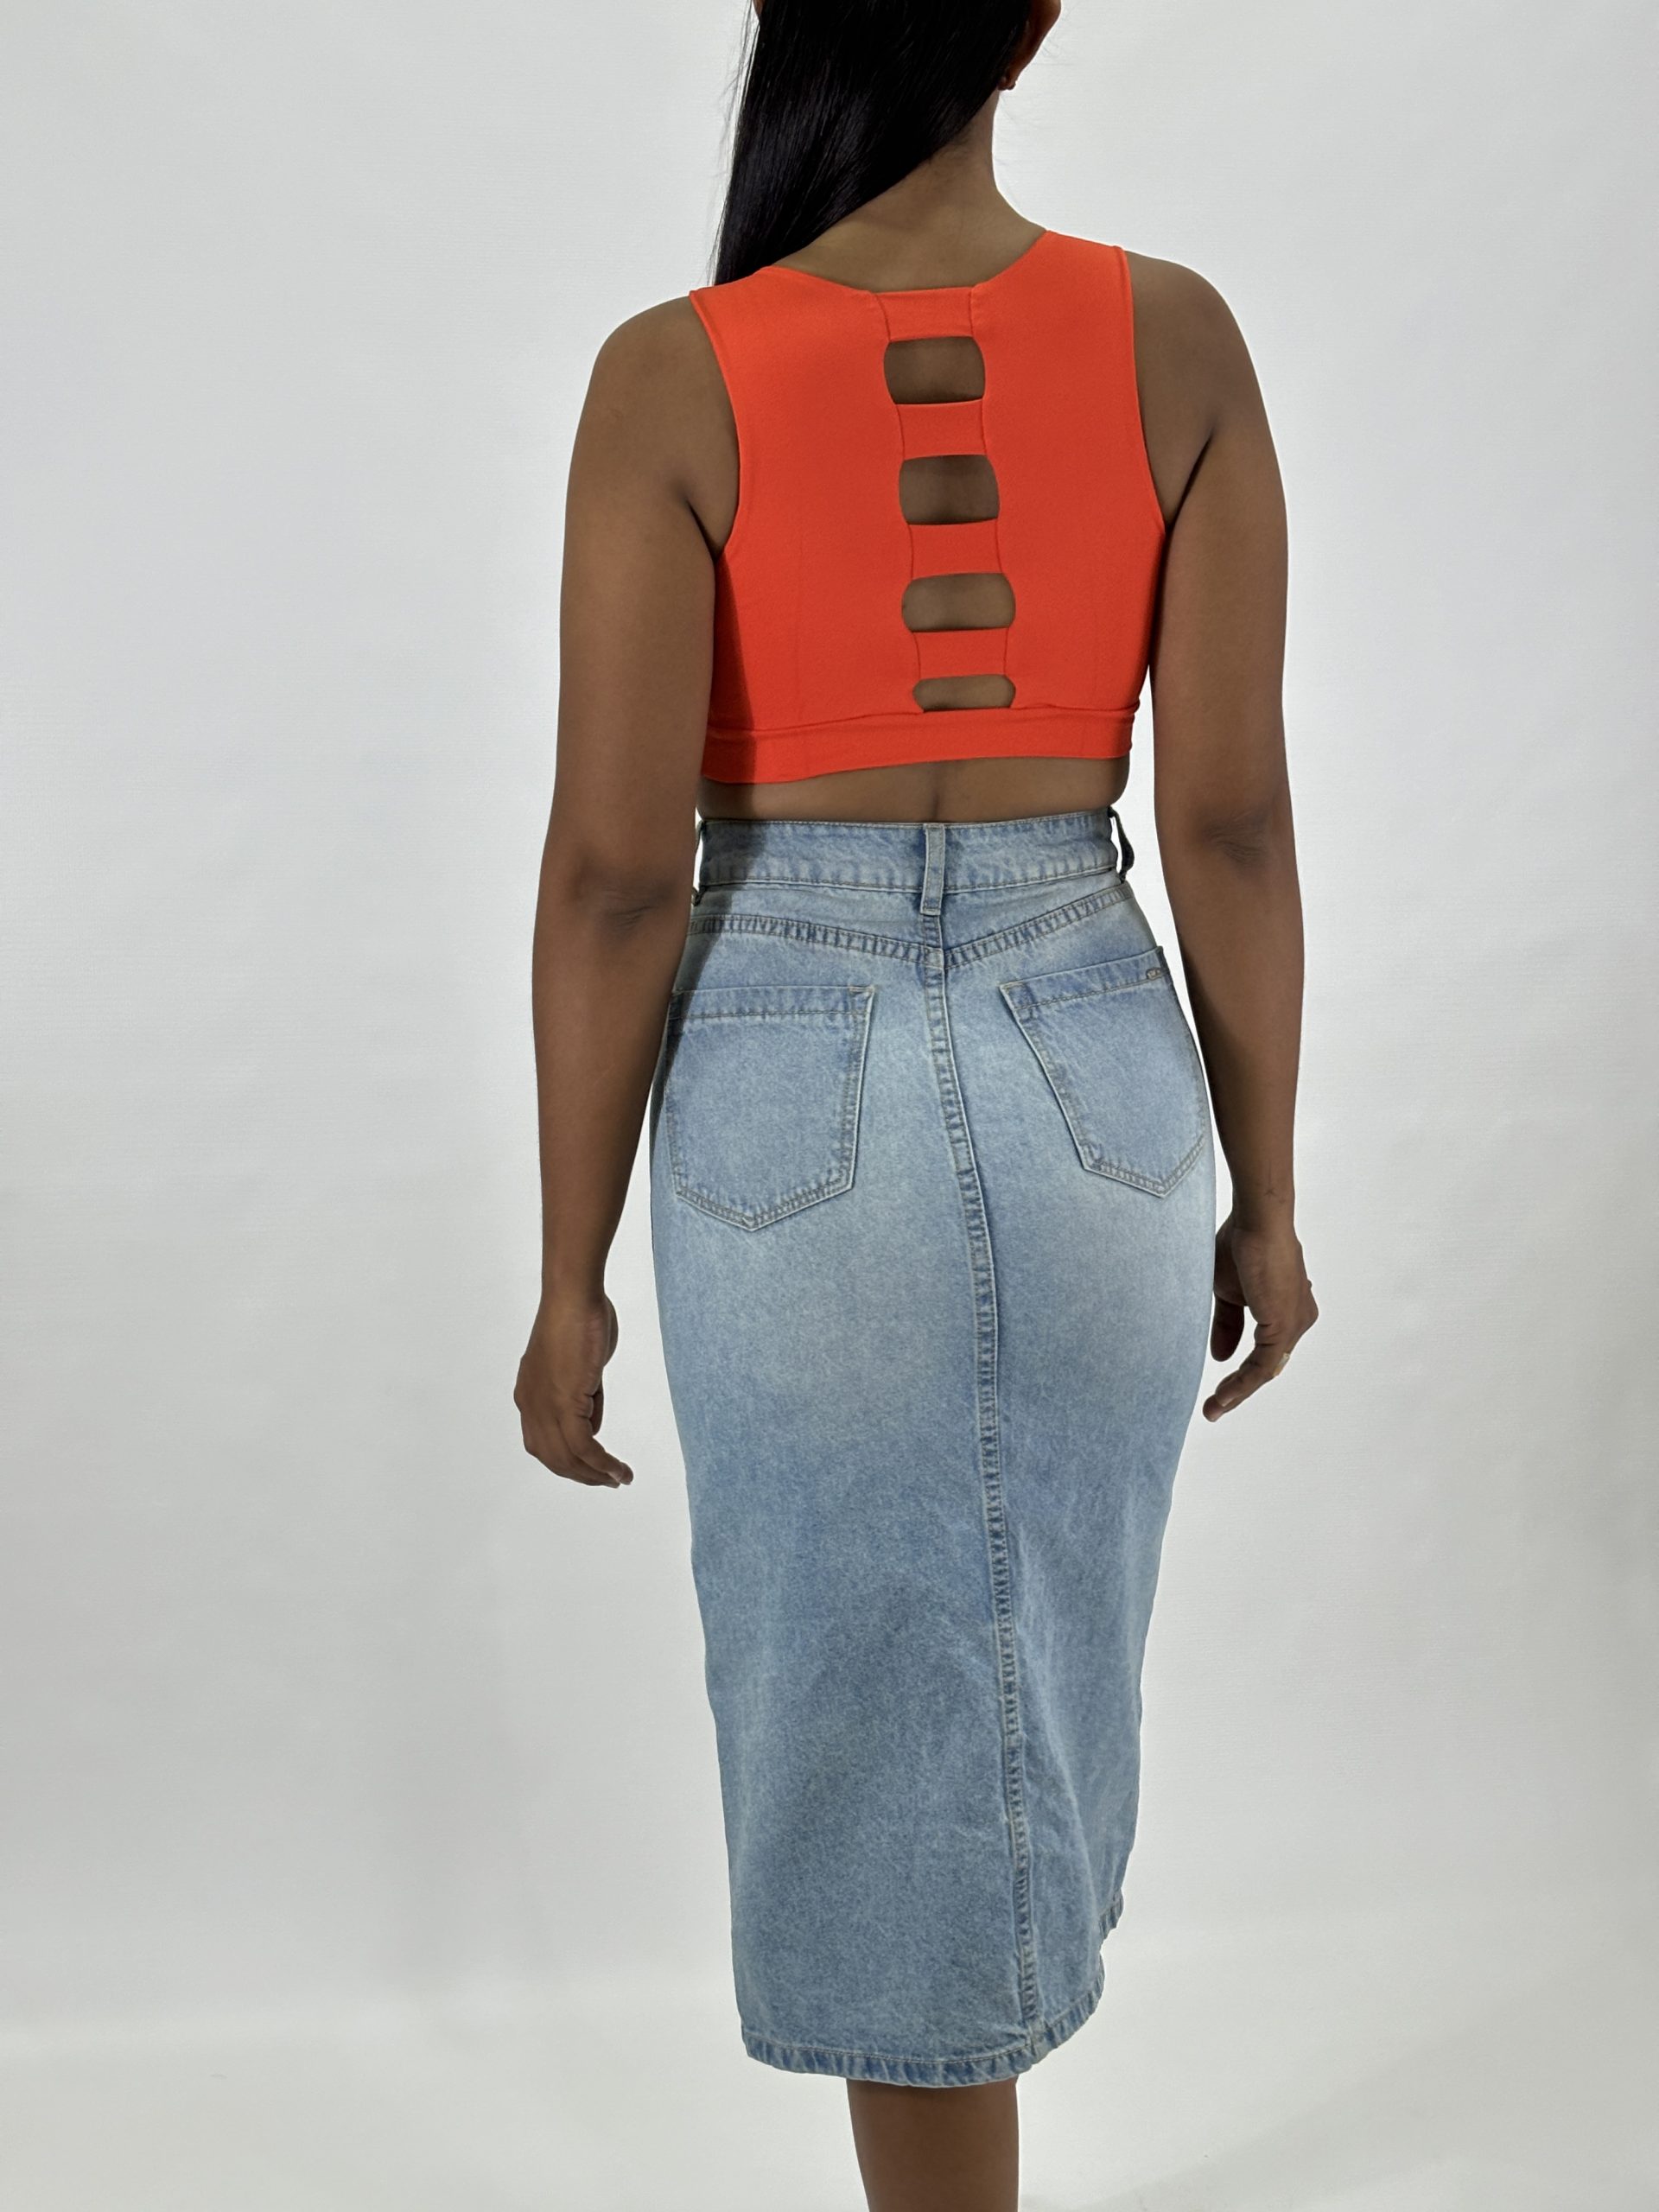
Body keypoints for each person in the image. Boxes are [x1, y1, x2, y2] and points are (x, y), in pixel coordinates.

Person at [515, 1, 1318, 2202]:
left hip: (792, 1091)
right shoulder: (1178, 342)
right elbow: (1231, 822)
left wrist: (569, 1271)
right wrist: (1265, 1195)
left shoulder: (673, 377)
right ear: (1030, 19)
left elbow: (613, 876)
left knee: (879, 1745)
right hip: (1101, 1084)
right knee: (1021, 1702)